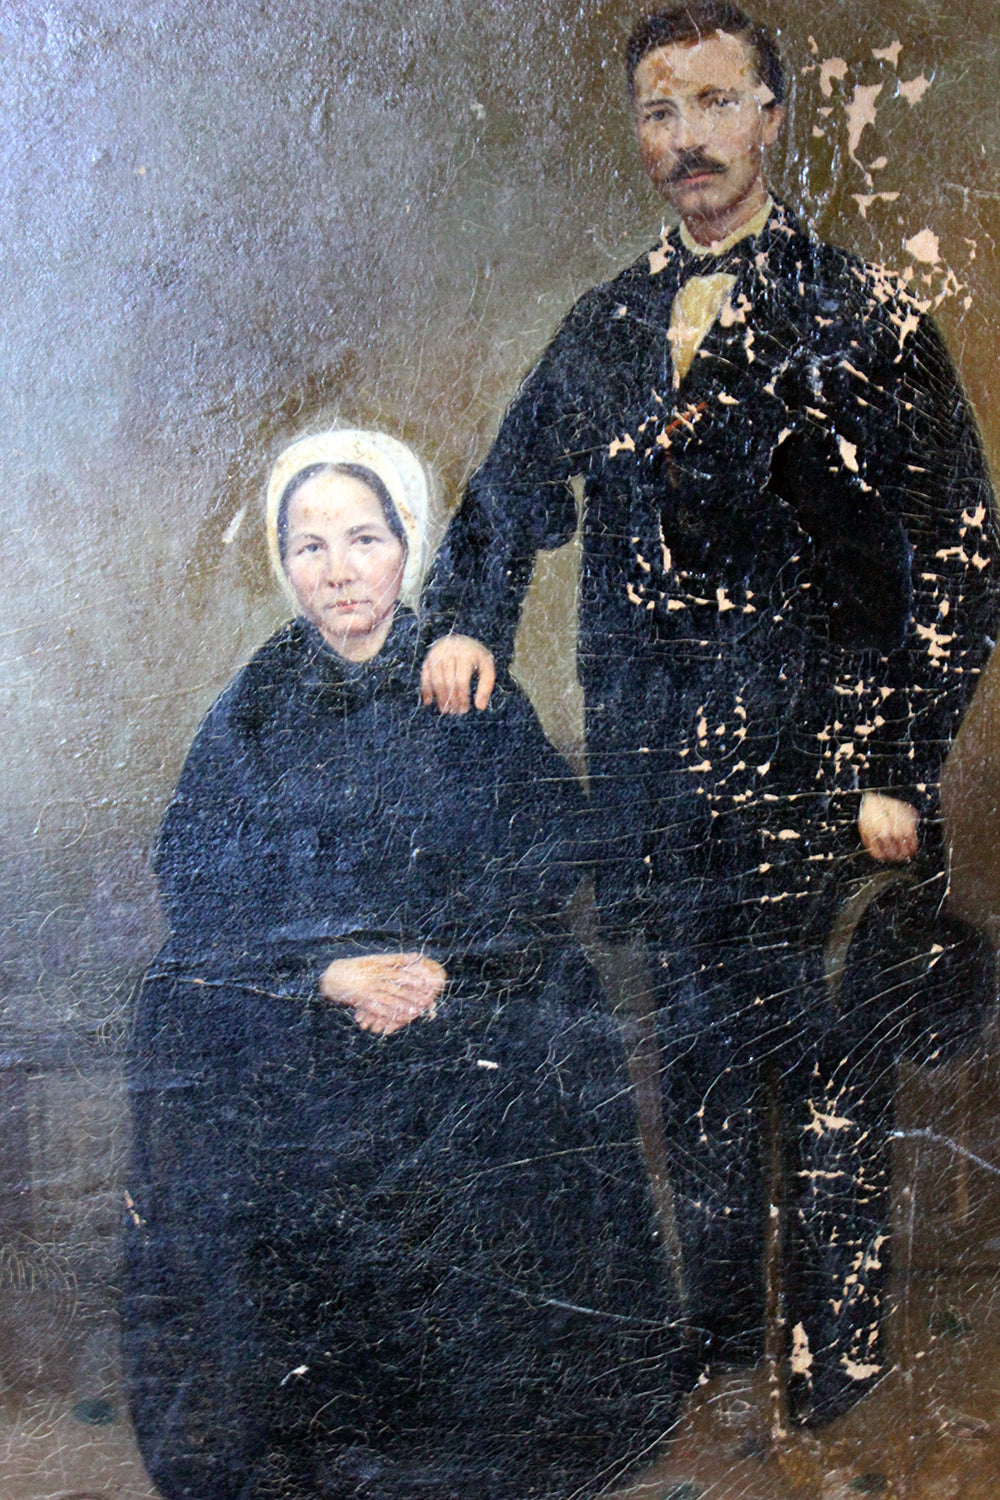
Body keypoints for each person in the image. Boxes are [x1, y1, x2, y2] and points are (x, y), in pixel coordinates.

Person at [419, 3, 1000, 1426]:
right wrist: (467, 618)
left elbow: (962, 551)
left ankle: (836, 1368)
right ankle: (728, 1349)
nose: (687, 138)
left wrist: (898, 763)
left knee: (828, 1076)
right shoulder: (607, 322)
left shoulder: (863, 316)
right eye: (659, 111)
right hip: (659, 788)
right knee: (696, 1073)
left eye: (716, 102)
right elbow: (509, 489)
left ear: (774, 118)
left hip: (825, 781)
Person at [121, 428, 690, 1500]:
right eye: (310, 547)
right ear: (284, 564)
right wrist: (325, 973)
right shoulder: (254, 706)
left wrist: (441, 964)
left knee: (536, 1041)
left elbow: (546, 850)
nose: (339, 571)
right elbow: (195, 877)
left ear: (407, 547)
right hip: (311, 1023)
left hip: (456, 1008)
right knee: (190, 1017)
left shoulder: (464, 680)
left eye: (365, 539)